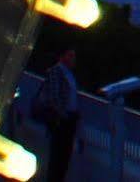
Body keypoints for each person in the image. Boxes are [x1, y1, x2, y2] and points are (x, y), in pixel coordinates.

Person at [32, 49, 80, 182]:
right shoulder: (56, 71)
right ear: (62, 56)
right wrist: (63, 114)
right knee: (58, 154)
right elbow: (54, 96)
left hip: (69, 118)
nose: (73, 59)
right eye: (70, 55)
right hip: (61, 119)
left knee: (64, 155)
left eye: (74, 56)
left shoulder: (68, 73)